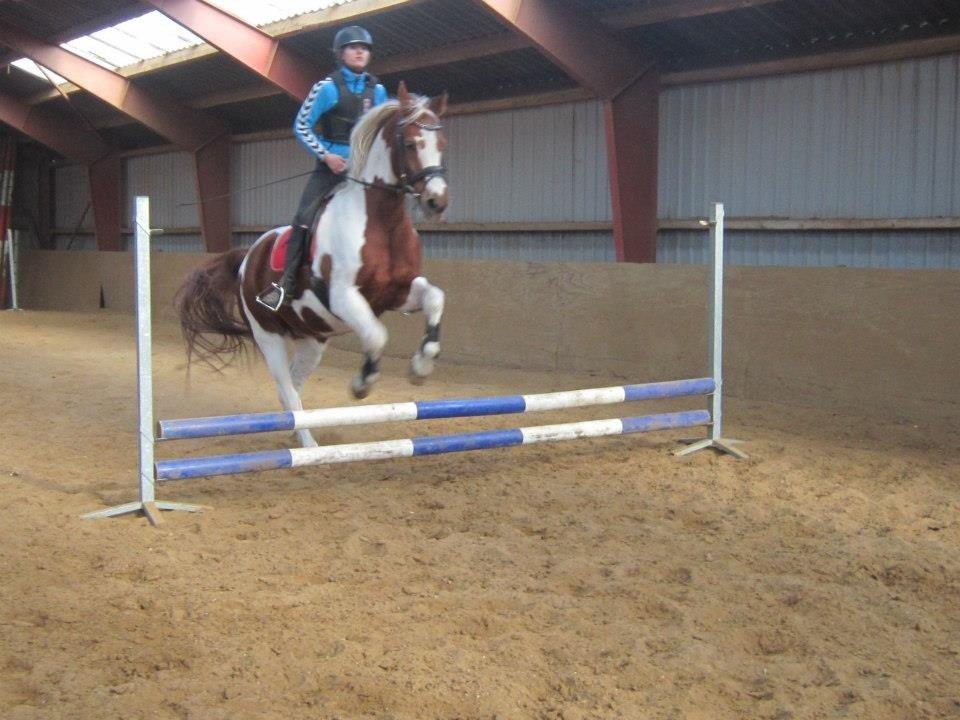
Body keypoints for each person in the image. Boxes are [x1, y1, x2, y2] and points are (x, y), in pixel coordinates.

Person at [257, 25, 388, 311]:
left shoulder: (377, 91)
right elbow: (301, 125)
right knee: (304, 218)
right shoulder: (326, 88)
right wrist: (327, 156)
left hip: (363, 172)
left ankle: (392, 278)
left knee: (392, 209)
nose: (359, 52)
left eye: (364, 48)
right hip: (331, 169)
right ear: (341, 54)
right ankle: (286, 284)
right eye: (353, 47)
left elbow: (382, 132)